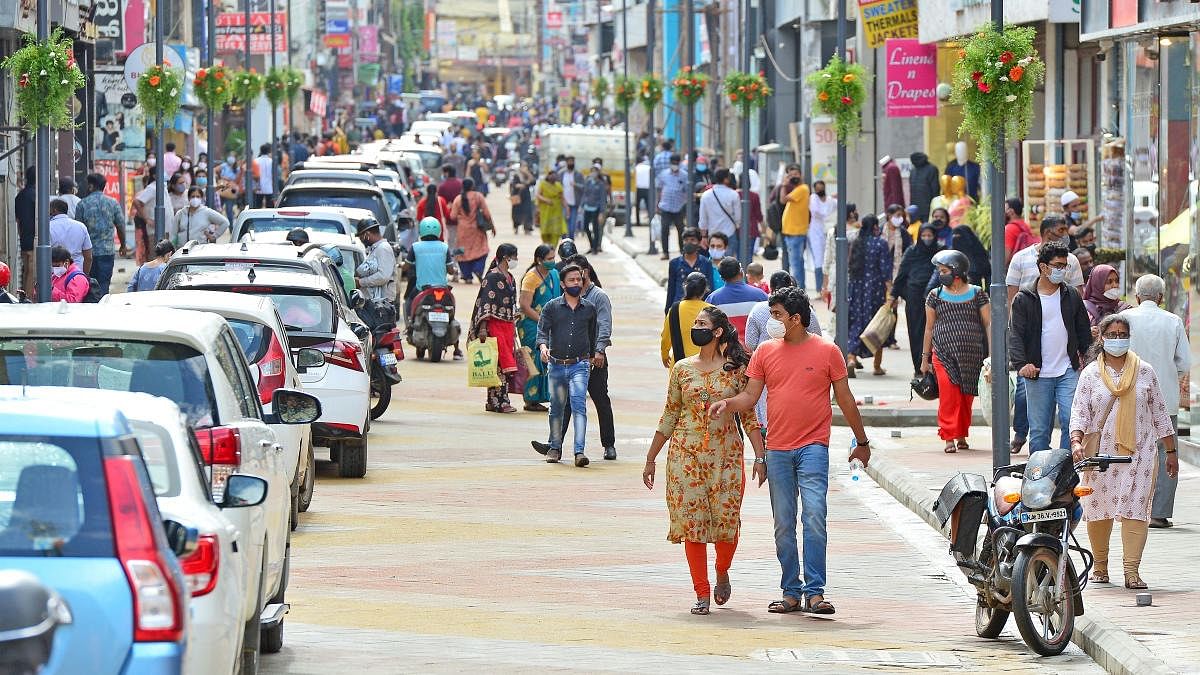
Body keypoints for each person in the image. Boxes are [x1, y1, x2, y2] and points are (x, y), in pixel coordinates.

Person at [710, 287, 871, 616]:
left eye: (778, 315)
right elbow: (750, 396)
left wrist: (862, 442)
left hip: (814, 447)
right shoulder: (765, 352)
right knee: (783, 523)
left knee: (814, 517)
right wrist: (728, 403)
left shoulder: (828, 351)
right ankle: (791, 591)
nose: (772, 321)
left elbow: (845, 398)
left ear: (796, 319)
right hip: (778, 449)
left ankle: (815, 592)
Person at [643, 306, 765, 615]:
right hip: (685, 454)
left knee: (726, 522)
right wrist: (651, 458)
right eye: (695, 322)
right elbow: (670, 413)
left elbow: (749, 416)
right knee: (692, 524)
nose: (696, 327)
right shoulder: (682, 368)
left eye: (701, 323)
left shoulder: (736, 369)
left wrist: (760, 456)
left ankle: (722, 569)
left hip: (726, 456)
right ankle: (701, 592)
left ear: (718, 332)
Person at [1069, 313, 1177, 590]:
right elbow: (1080, 412)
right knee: (1098, 508)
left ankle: (1132, 571)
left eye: (1122, 334)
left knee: (1136, 510)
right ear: (1101, 338)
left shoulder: (1145, 372)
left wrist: (1171, 451)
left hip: (1138, 454)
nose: (1117, 339)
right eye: (1112, 335)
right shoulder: (1091, 373)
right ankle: (1101, 566)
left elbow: (1160, 413)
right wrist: (1076, 442)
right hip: (1101, 456)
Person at [1009, 241, 1093, 453]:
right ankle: (1040, 477)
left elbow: (1083, 332)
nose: (1061, 270)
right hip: (1037, 373)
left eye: (1064, 266)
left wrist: (1091, 363)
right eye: (1057, 265)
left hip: (1068, 370)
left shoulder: (1072, 295)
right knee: (1039, 429)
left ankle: (1064, 470)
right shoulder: (1024, 298)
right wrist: (1022, 364)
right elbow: (1016, 334)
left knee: (1071, 422)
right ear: (1043, 267)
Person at [1119, 275, 1188, 529]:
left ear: (1136, 297)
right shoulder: (1173, 321)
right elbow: (1185, 362)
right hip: (1166, 397)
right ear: (1160, 297)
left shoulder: (1125, 319)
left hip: (1129, 397)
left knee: (1130, 451)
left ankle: (1130, 509)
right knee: (1166, 452)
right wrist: (1170, 375)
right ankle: (1158, 513)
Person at [920, 250, 991, 453]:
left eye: (943, 270)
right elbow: (929, 328)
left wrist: (992, 355)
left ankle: (961, 434)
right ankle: (949, 436)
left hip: (972, 356)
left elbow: (988, 324)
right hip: (943, 353)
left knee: (965, 397)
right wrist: (925, 359)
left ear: (957, 271)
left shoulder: (978, 293)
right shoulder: (935, 295)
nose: (940, 275)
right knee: (949, 395)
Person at [530, 264, 599, 466]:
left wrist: (591, 357)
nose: (576, 283)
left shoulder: (589, 309)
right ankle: (555, 448)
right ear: (563, 284)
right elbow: (542, 333)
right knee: (556, 408)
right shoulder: (551, 307)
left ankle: (579, 452)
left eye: (579, 279)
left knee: (579, 406)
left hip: (580, 365)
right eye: (572, 280)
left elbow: (592, 336)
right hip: (556, 365)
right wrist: (543, 348)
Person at [745, 272, 823, 438]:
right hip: (788, 379)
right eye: (773, 314)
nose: (774, 318)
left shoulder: (758, 311)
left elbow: (750, 342)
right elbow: (816, 334)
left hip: (776, 382)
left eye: (778, 315)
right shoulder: (806, 311)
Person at [563, 256, 616, 460]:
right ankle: (555, 444)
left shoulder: (599, 296)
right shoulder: (568, 295)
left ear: (586, 272)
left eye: (578, 274)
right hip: (572, 359)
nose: (575, 279)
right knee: (566, 402)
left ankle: (609, 445)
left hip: (595, 359)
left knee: (601, 400)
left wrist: (600, 351)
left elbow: (605, 324)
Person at [472, 244, 520, 413]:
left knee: (505, 365)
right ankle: (499, 401)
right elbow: (484, 302)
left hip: (507, 326)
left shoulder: (510, 278)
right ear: (506, 257)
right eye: (514, 257)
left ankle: (495, 401)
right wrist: (483, 328)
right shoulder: (492, 277)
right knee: (497, 364)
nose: (516, 260)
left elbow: (512, 303)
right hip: (494, 325)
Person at [890, 224, 943, 376]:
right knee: (916, 332)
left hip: (937, 298)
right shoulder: (912, 252)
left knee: (936, 332)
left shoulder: (940, 251)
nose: (927, 239)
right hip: (914, 298)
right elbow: (902, 274)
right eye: (924, 236)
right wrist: (893, 295)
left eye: (930, 236)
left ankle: (935, 367)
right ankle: (919, 367)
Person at [845, 215, 892, 376]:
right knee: (876, 325)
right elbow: (885, 270)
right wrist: (891, 293)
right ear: (875, 227)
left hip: (857, 289)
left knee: (856, 323)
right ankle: (877, 366)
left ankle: (851, 358)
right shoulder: (881, 243)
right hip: (875, 289)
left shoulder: (857, 243)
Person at [519, 245, 561, 410]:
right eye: (549, 259)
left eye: (553, 258)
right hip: (531, 324)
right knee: (535, 358)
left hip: (550, 323)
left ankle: (545, 395)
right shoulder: (531, 278)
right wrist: (543, 322)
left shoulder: (554, 275)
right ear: (539, 260)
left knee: (548, 359)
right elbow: (525, 306)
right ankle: (531, 399)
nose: (553, 261)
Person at [75, 172, 129, 299]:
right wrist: (123, 245)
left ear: (91, 186)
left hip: (88, 253)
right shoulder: (113, 203)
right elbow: (120, 225)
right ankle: (102, 307)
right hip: (107, 252)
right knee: (104, 284)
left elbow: (79, 229)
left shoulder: (82, 204)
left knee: (87, 283)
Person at [706, 258, 767, 341]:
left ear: (721, 277)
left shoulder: (712, 299)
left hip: (725, 350)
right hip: (753, 350)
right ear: (741, 272)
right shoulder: (760, 295)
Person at [661, 272, 713, 367]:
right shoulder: (712, 310)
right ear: (705, 290)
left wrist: (664, 355)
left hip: (680, 365)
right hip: (707, 365)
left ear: (685, 287)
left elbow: (666, 338)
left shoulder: (675, 309)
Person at [450, 178, 493, 283]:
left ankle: (467, 276)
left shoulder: (458, 199)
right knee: (482, 250)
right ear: (473, 186)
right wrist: (492, 227)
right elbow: (487, 214)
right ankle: (478, 269)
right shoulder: (478, 196)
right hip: (477, 229)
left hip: (463, 231)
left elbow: (453, 216)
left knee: (462, 253)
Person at [664, 228, 714, 313]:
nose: (689, 243)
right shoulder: (674, 263)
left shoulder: (706, 263)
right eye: (686, 240)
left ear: (699, 242)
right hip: (679, 307)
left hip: (700, 309)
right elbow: (671, 289)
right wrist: (667, 309)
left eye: (692, 240)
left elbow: (710, 287)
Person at [697, 168, 741, 261]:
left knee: (713, 262)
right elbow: (738, 218)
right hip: (730, 233)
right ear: (726, 179)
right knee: (729, 263)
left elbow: (703, 219)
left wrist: (703, 236)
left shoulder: (706, 195)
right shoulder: (734, 194)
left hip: (712, 234)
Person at [822, 203, 858, 306]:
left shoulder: (832, 231)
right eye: (855, 211)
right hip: (852, 275)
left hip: (835, 274)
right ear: (851, 214)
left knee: (836, 309)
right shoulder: (857, 232)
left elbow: (827, 260)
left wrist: (824, 286)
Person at [354, 219, 397, 302]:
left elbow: (383, 276)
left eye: (361, 237)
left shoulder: (383, 248)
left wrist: (360, 282)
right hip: (374, 303)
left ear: (367, 234)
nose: (361, 240)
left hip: (382, 304)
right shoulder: (375, 249)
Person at [656, 154, 690, 259]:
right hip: (665, 207)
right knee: (664, 229)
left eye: (676, 163)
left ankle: (682, 252)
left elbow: (687, 191)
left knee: (681, 230)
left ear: (679, 163)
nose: (674, 165)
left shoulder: (684, 175)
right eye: (673, 163)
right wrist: (657, 204)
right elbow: (659, 188)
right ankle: (665, 252)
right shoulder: (664, 174)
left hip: (678, 207)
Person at [780, 175, 811, 286]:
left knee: (795, 264)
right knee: (798, 263)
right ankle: (800, 287)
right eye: (790, 176)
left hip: (795, 233)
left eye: (795, 175)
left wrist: (784, 185)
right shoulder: (798, 190)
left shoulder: (802, 188)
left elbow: (782, 199)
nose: (794, 178)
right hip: (793, 232)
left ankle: (798, 289)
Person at [48, 199, 92, 273]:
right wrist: (85, 275)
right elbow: (88, 257)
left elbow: (45, 255)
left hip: (55, 274)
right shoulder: (81, 226)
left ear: (54, 210)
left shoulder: (48, 227)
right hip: (77, 272)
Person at [807, 181, 835, 290]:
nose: (820, 190)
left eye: (821, 188)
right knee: (819, 260)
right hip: (815, 232)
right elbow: (816, 211)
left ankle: (827, 287)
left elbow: (838, 204)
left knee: (828, 258)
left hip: (827, 231)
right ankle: (820, 287)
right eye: (817, 188)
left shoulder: (829, 200)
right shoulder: (813, 198)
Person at [580, 164, 609, 254]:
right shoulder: (588, 182)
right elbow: (584, 194)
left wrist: (601, 212)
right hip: (587, 207)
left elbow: (602, 198)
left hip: (596, 209)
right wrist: (581, 206)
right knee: (585, 227)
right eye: (592, 171)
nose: (593, 173)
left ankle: (595, 249)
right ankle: (592, 245)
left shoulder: (601, 184)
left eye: (595, 171)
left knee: (596, 229)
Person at [15, 166, 36, 294]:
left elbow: (17, 220)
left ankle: (24, 296)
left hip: (24, 239)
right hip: (35, 239)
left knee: (26, 271)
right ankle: (28, 299)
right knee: (32, 273)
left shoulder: (20, 195)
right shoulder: (38, 195)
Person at [535, 170, 567, 245]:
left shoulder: (559, 185)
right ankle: (546, 246)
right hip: (545, 212)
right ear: (548, 176)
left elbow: (562, 198)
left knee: (555, 232)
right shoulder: (543, 184)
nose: (553, 176)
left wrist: (567, 208)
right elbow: (538, 195)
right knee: (545, 232)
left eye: (555, 175)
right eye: (551, 175)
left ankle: (552, 249)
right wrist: (546, 200)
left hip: (556, 212)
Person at [1004, 197, 1037, 265]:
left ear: (1011, 212)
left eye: (1005, 209)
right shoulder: (1025, 226)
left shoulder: (1009, 229)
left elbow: (1004, 259)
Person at [560, 156, 584, 239]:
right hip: (563, 203)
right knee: (563, 224)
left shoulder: (578, 174)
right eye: (569, 161)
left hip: (574, 203)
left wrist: (575, 185)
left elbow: (583, 187)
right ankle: (564, 242)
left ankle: (571, 241)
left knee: (572, 225)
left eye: (572, 161)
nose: (570, 163)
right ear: (566, 163)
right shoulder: (562, 174)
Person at [510, 162, 535, 234]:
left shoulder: (528, 175)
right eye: (523, 166)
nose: (524, 168)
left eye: (526, 166)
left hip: (526, 196)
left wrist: (527, 173)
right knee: (516, 212)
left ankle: (527, 228)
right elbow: (514, 185)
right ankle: (516, 227)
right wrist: (520, 185)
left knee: (527, 211)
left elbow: (533, 182)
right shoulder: (516, 175)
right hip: (517, 195)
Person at [253, 144, 275, 208]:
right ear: (269, 151)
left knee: (257, 206)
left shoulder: (256, 161)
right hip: (269, 186)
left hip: (258, 186)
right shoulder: (271, 161)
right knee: (269, 206)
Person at [634, 155, 650, 225]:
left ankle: (638, 221)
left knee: (637, 206)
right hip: (647, 188)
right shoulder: (649, 168)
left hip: (638, 188)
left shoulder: (636, 168)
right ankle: (650, 220)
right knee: (648, 205)